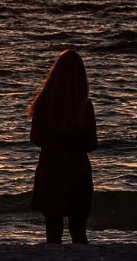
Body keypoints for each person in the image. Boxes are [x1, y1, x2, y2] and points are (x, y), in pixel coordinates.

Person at [28, 47, 99, 243]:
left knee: (53, 231)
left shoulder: (44, 102)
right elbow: (92, 143)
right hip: (77, 171)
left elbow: (35, 137)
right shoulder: (84, 106)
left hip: (51, 168)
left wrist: (54, 143)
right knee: (79, 231)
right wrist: (73, 144)